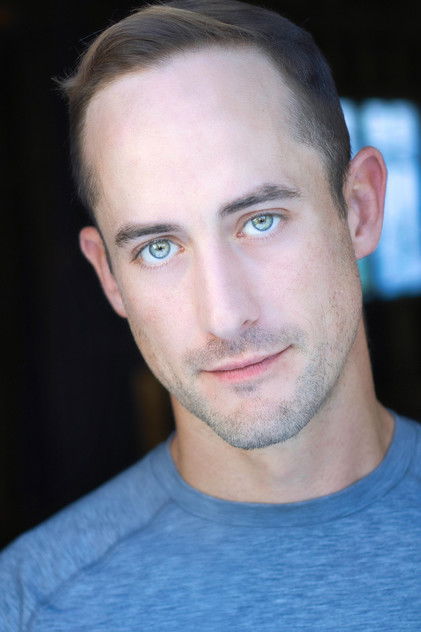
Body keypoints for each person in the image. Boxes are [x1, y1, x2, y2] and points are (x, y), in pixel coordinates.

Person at [1, 1, 420, 629]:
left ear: (359, 208)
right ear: (109, 277)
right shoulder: (31, 605)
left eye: (261, 220)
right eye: (158, 248)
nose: (224, 316)